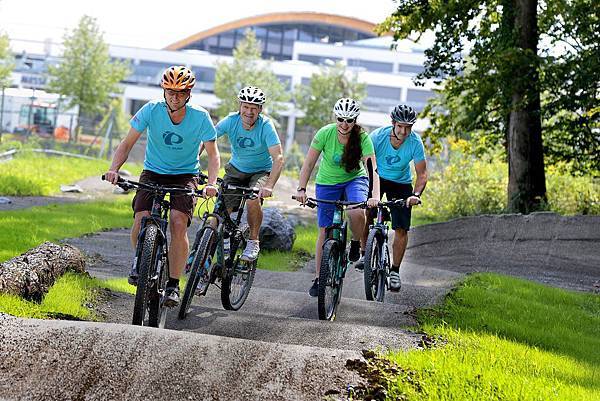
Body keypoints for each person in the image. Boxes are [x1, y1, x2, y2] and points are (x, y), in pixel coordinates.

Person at [104, 66, 220, 307]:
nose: (174, 97)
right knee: (141, 217)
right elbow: (126, 144)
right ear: (164, 91)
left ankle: (173, 284)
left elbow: (213, 155)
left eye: (180, 93)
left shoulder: (200, 117)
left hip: (184, 174)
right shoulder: (151, 110)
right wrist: (114, 169)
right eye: (170, 92)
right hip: (153, 172)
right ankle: (141, 261)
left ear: (189, 94)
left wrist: (209, 183)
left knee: (178, 222)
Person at [295, 98, 380, 297]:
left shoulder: (362, 138)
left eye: (349, 120)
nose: (344, 124)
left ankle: (357, 243)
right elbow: (308, 164)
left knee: (356, 210)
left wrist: (374, 196)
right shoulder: (325, 133)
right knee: (324, 230)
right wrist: (301, 189)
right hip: (327, 182)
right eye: (341, 119)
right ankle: (319, 278)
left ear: (355, 120)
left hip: (354, 180)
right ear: (336, 117)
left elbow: (372, 169)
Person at [357, 104, 427, 292]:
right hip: (377, 177)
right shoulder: (377, 137)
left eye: (408, 127)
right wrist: (371, 191)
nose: (404, 131)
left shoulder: (415, 142)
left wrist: (415, 195)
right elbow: (365, 164)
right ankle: (364, 253)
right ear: (393, 123)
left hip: (401, 183)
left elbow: (422, 174)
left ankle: (394, 271)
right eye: (400, 126)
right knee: (366, 213)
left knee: (401, 228)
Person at [212, 86, 284, 262]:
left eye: (254, 108)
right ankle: (216, 248)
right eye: (246, 106)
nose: (249, 112)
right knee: (220, 215)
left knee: (252, 198)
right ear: (240, 106)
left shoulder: (266, 125)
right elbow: (208, 138)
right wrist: (195, 162)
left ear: (260, 109)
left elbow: (279, 158)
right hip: (236, 170)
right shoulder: (230, 120)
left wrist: (268, 186)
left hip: (260, 172)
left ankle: (253, 240)